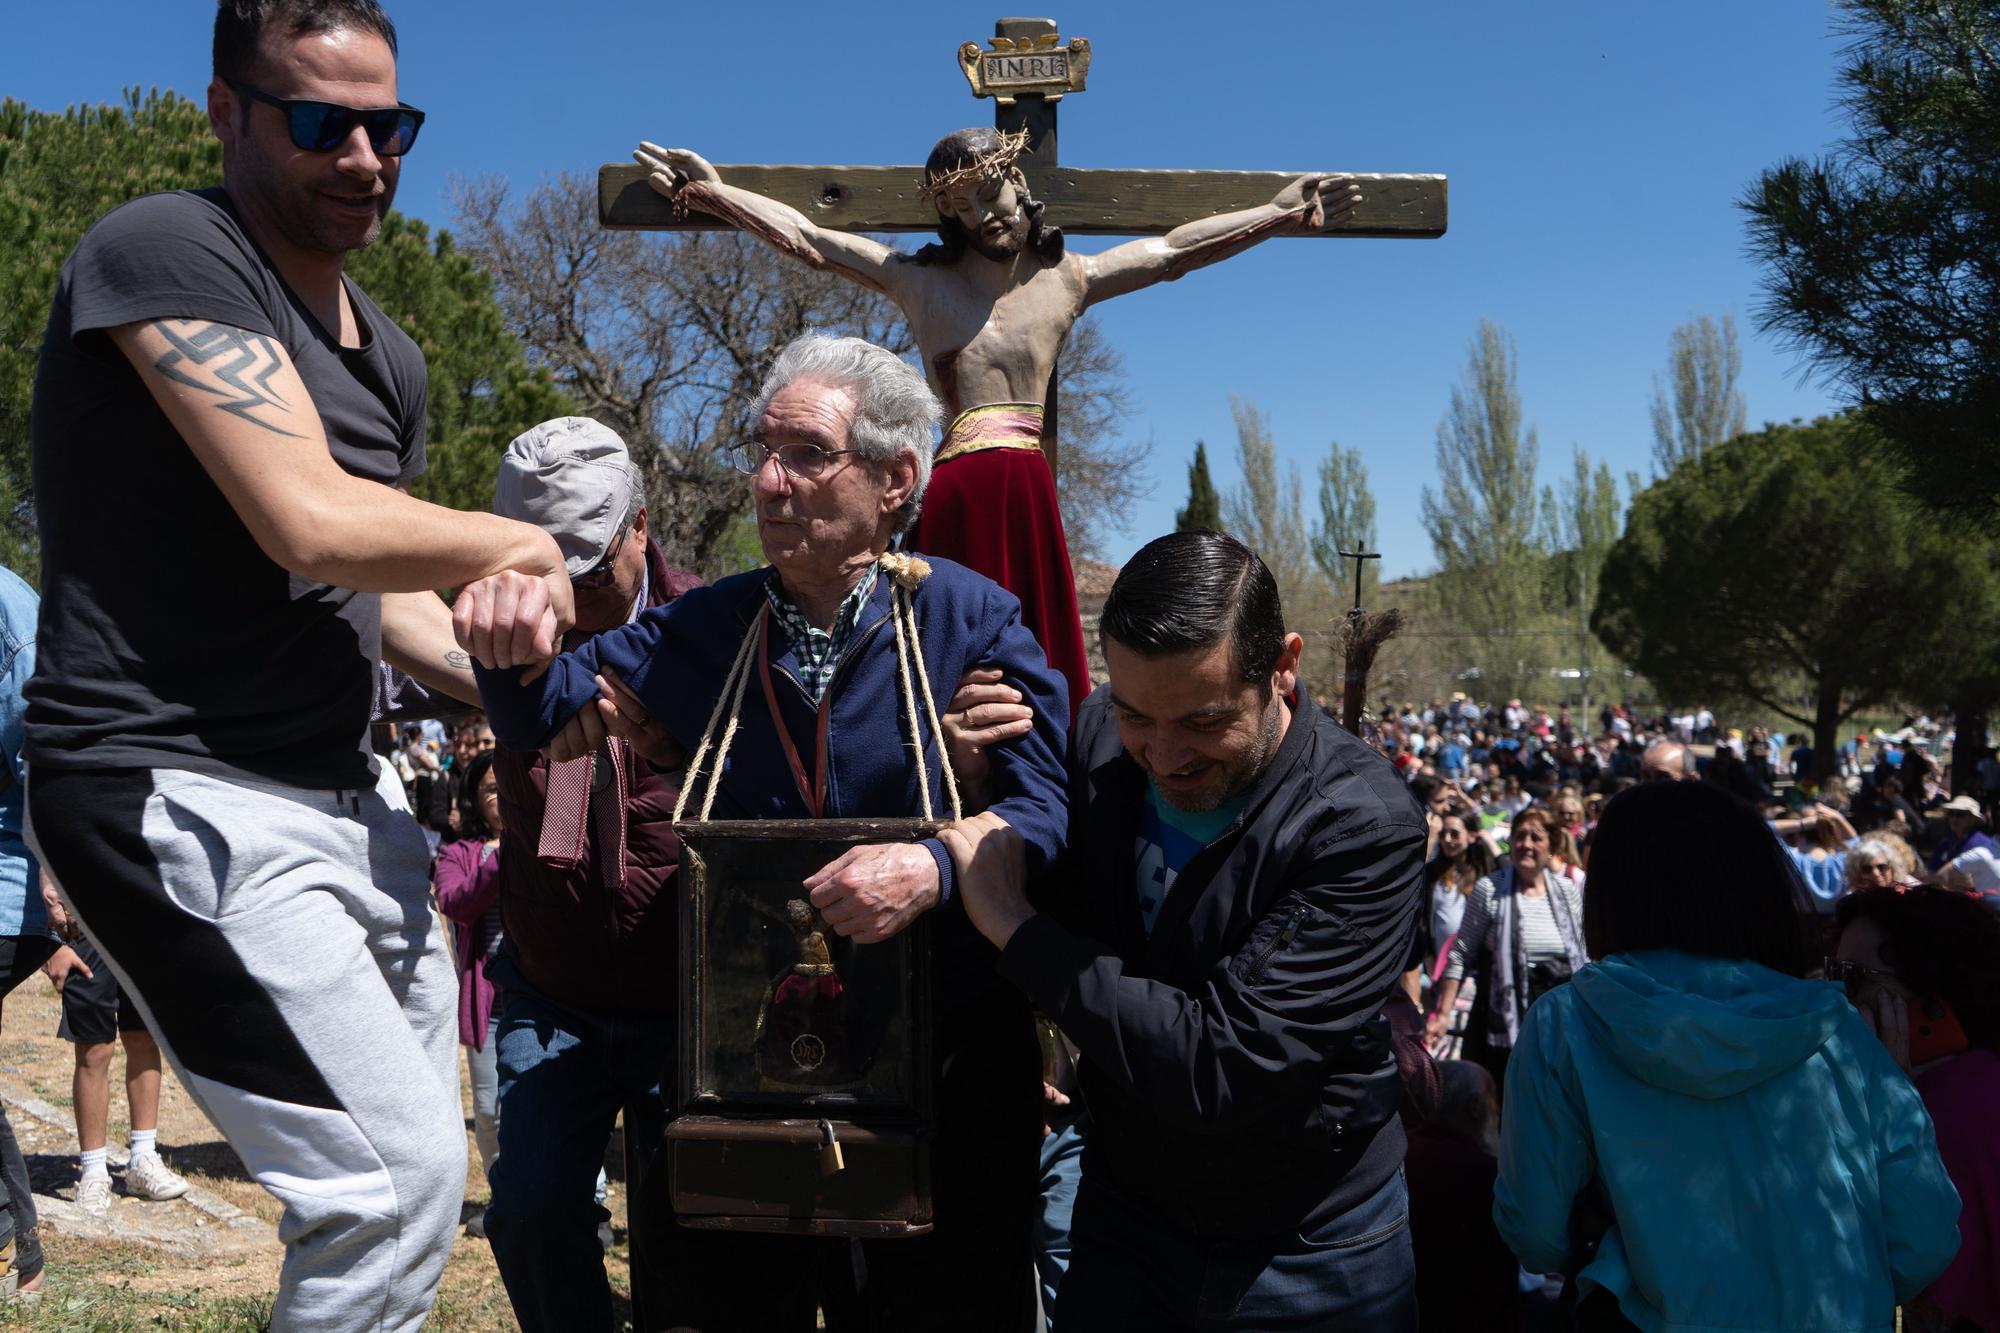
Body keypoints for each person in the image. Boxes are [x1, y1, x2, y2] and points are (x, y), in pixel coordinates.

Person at [21, 3, 580, 1325]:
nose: (368, 155)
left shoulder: (390, 358)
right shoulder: (166, 248)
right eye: (324, 122)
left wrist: (531, 693)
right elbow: (309, 516)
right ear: (228, 114)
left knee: (424, 1179)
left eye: (392, 125)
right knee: (381, 1188)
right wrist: (523, 538)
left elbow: (351, 591)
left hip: (349, 799)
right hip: (173, 783)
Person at [455, 334, 1070, 1332]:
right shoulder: (711, 628)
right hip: (755, 1052)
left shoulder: (967, 619)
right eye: (760, 452)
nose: (768, 481)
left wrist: (930, 863)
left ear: (893, 477)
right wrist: (505, 626)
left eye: (805, 455)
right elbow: (545, 706)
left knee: (937, 1308)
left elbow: (1044, 809)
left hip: (942, 1050)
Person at [635, 133, 1363, 726]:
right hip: (957, 488)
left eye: (992, 192)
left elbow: (1173, 251)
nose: (983, 213)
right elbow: (808, 237)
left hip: (1028, 487)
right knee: (945, 655)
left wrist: (1275, 212)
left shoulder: (1067, 280)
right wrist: (714, 192)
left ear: (1020, 183)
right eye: (959, 206)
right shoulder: (921, 283)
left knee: (1041, 651)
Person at [943, 530, 1427, 1330]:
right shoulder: (1098, 735)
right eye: (1137, 713)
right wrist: (978, 781)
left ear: (1284, 665)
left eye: (1203, 722)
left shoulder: (1360, 825)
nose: (1163, 756)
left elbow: (1222, 1065)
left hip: (1308, 1245)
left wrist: (1018, 929)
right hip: (1125, 1210)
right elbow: (1068, 901)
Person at [1494, 780, 1961, 1331]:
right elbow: (1923, 1238)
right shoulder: (1838, 1029)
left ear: (1613, 887)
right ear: (1756, 886)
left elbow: (1536, 1234)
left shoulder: (1566, 1025)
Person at [470, 418, 702, 1332]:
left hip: (679, 998)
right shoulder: (500, 631)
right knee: (526, 1209)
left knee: (687, 1236)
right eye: (542, 574)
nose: (567, 601)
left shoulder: (713, 633)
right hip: (550, 987)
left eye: (589, 573)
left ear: (640, 526)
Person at [1833, 888, 2000, 1331]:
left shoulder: (1951, 1108)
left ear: (1931, 995)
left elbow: (1929, 1288)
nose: (1836, 998)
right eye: (1831, 974)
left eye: (1853, 978)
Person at [41, 910, 192, 1218]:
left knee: (144, 1036)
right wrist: (51, 943)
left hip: (138, 917)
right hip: (81, 921)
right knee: (94, 1049)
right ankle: (94, 1171)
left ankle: (143, 1158)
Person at [1426, 807, 1588, 1086]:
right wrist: (1442, 1015)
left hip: (1559, 1023)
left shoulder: (1568, 891)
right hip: (1502, 1022)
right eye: (1520, 836)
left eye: (1535, 837)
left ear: (1551, 845)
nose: (1526, 844)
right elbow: (1461, 955)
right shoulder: (1489, 889)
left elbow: (1585, 956)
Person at [0, 569, 56, 1298]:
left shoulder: (14, 613)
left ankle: (17, 1241)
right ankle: (21, 1245)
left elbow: (46, 741)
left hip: (15, 881)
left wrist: (53, 869)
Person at [431, 749, 503, 1235]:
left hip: (548, 998)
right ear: (475, 801)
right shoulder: (458, 854)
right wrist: (503, 860)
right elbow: (456, 902)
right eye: (490, 790)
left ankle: (591, 1200)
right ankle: (508, 1200)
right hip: (491, 1004)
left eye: (507, 785)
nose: (500, 796)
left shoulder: (554, 835)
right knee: (489, 1109)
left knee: (568, 1105)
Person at [1404, 1061, 1520, 1333]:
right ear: (1476, 1107)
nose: (1499, 1110)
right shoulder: (1488, 1177)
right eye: (1494, 1100)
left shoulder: (1400, 1156)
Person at [1925, 795, 1995, 875]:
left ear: (1972, 819)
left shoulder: (1982, 844)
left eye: (1960, 814)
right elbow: (1932, 868)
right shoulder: (1945, 843)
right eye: (1951, 814)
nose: (1954, 819)